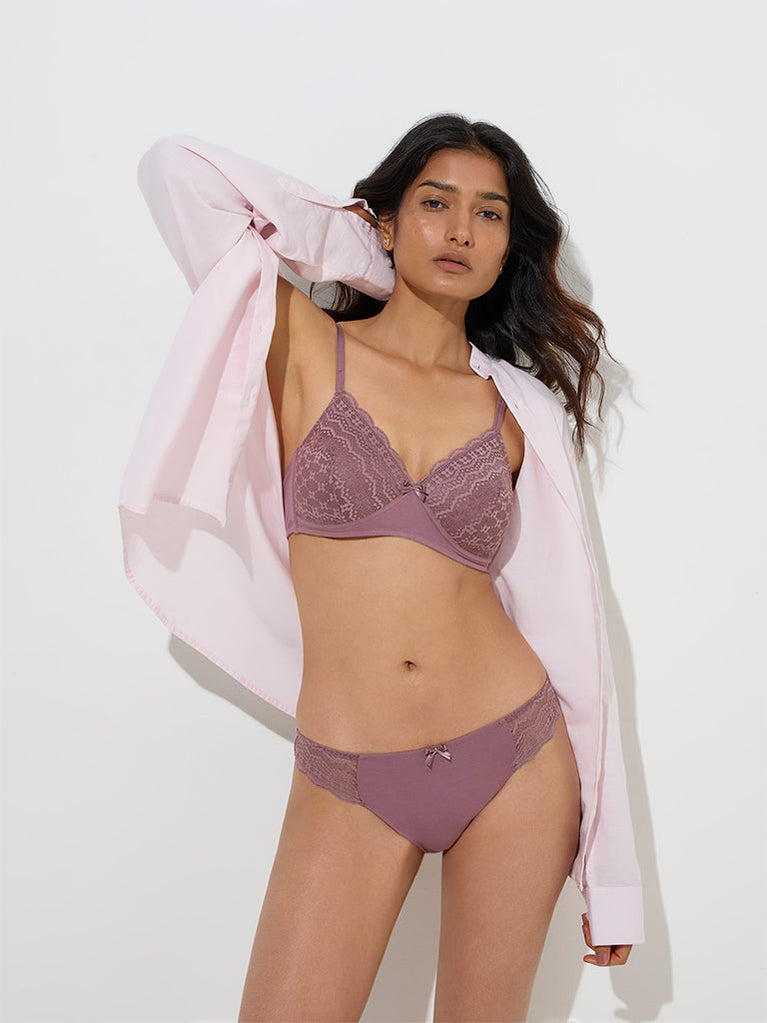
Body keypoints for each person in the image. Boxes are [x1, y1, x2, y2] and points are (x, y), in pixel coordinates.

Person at [119, 112, 644, 1022]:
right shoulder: (298, 341)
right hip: (349, 773)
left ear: (507, 246)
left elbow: (578, 636)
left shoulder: (520, 408)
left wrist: (610, 867)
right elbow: (177, 172)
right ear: (388, 219)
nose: (460, 230)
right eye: (434, 204)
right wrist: (359, 249)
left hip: (516, 758)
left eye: (488, 214)